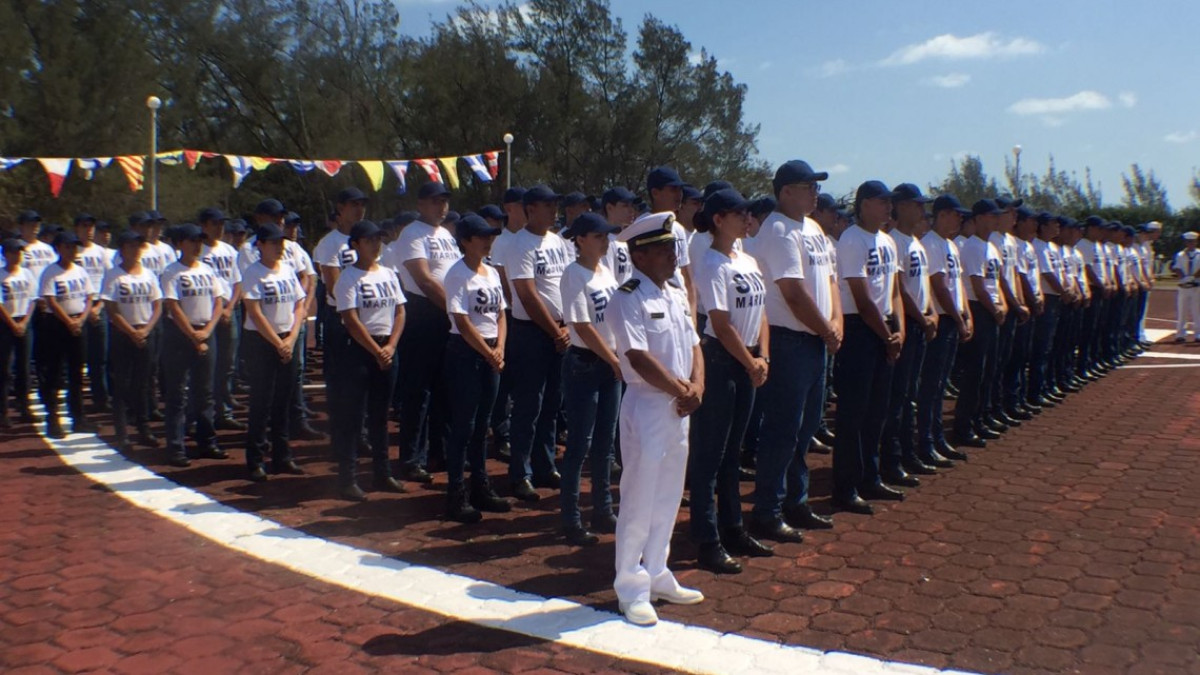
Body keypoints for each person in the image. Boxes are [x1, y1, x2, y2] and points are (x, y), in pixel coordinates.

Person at [609, 211, 704, 626]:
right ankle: (631, 588)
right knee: (639, 497)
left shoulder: (675, 294)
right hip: (649, 403)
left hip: (679, 405)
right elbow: (637, 356)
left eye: (671, 247)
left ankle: (659, 573)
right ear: (639, 255)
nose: (671, 255)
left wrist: (697, 386)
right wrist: (682, 390)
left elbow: (696, 344)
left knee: (668, 494)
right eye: (663, 249)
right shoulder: (628, 297)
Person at [686, 189, 775, 574]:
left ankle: (733, 527)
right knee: (710, 455)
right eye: (739, 214)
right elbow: (719, 324)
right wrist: (750, 360)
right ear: (719, 219)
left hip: (748, 357)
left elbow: (762, 313)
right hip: (724, 360)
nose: (747, 219)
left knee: (733, 452)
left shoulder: (748, 259)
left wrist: (763, 357)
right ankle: (707, 539)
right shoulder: (711, 262)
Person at [751, 160, 841, 531]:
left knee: (804, 430)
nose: (814, 192)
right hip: (790, 342)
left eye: (815, 186)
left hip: (815, 340)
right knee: (782, 430)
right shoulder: (779, 231)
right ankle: (767, 512)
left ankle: (795, 501)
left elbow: (831, 281)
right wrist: (828, 329)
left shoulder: (814, 228)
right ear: (785, 191)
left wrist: (836, 323)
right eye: (807, 186)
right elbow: (793, 293)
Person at [832, 181, 905, 512]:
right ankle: (846, 487)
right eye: (880, 201)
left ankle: (870, 477)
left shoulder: (888, 240)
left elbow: (894, 291)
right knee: (853, 414)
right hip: (861, 330)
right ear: (863, 205)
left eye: (889, 202)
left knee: (878, 410)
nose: (887, 207)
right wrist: (886, 335)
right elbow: (861, 298)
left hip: (885, 326)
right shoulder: (852, 240)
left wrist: (898, 331)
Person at [386, 181, 462, 482]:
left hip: (447, 314)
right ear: (421, 204)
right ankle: (411, 458)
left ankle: (439, 451)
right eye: (434, 201)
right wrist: (456, 310)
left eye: (444, 201)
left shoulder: (445, 234)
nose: (441, 206)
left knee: (444, 388)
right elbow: (425, 279)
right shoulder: (412, 234)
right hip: (424, 313)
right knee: (419, 390)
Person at [505, 185, 575, 501]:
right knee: (528, 404)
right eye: (547, 205)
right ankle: (520, 473)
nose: (553, 210)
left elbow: (570, 283)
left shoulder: (559, 241)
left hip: (561, 330)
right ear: (530, 209)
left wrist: (568, 326)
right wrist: (553, 330)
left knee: (552, 403)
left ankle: (544, 465)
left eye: (554, 205)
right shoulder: (521, 243)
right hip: (532, 332)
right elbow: (526, 292)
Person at [441, 214, 512, 521]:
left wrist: (499, 349)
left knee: (483, 425)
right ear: (465, 241)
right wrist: (488, 352)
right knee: (464, 425)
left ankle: (480, 486)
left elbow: (500, 314)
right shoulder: (457, 274)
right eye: (481, 237)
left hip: (490, 352)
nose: (488, 241)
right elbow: (461, 320)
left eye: (490, 236)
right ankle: (456, 493)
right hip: (466, 353)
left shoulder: (491, 272)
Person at [558, 212, 622, 545]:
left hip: (609, 363)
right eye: (598, 236)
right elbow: (581, 325)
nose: (605, 241)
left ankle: (603, 509)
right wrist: (612, 357)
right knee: (579, 444)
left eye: (606, 236)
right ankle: (570, 518)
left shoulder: (606, 272)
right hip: (586, 362)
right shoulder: (574, 274)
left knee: (605, 443)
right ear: (580, 240)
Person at [241, 223, 308, 482]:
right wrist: (277, 342)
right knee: (262, 402)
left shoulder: (288, 271)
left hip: (286, 339)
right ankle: (255, 459)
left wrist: (290, 339)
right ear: (260, 245)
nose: (279, 248)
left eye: (281, 243)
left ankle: (282, 456)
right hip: (261, 342)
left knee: (283, 401)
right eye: (273, 243)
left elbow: (300, 304)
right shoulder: (253, 273)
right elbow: (255, 312)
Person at [880, 184, 937, 485]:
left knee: (910, 393)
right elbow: (898, 289)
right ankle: (892, 459)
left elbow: (922, 285)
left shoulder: (917, 242)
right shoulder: (895, 241)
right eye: (915, 204)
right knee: (898, 397)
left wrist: (931, 313)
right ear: (900, 206)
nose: (921, 209)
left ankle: (907, 452)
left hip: (919, 323)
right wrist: (920, 318)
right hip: (905, 324)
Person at [160, 223, 228, 467]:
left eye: (200, 241)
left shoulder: (208, 270)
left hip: (206, 331)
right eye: (192, 241)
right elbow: (173, 306)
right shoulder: (172, 272)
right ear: (179, 244)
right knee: (177, 393)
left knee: (205, 392)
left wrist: (207, 331)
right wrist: (193, 335)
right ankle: (176, 447)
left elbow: (218, 301)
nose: (197, 245)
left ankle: (207, 441)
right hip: (180, 336)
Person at [916, 195, 972, 465]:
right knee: (930, 385)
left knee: (939, 385)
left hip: (953, 318)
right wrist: (957, 318)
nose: (959, 219)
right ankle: (925, 441)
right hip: (940, 318)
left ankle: (937, 438)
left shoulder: (949, 244)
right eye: (955, 214)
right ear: (941, 215)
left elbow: (957, 282)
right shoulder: (931, 243)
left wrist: (966, 314)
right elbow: (938, 285)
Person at [953, 200, 1008, 448]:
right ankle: (965, 425)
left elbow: (997, 282)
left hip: (992, 310)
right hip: (980, 308)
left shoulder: (991, 247)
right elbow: (977, 285)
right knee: (975, 372)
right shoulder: (973, 247)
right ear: (978, 219)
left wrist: (1002, 306)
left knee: (989, 369)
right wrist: (995, 309)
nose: (996, 220)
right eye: (991, 216)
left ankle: (981, 418)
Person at [100, 230, 162, 451]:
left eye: (139, 246)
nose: (136, 251)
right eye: (131, 246)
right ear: (122, 249)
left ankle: (144, 428)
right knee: (122, 384)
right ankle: (122, 432)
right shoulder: (113, 275)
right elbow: (111, 308)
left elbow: (157, 305)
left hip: (146, 333)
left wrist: (146, 329)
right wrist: (131, 332)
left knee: (143, 383)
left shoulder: (148, 275)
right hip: (123, 334)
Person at [36, 231, 97, 439]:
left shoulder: (80, 271)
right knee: (54, 372)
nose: (73, 250)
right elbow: (51, 300)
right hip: (56, 325)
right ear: (59, 249)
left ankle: (78, 417)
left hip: (78, 323)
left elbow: (89, 297)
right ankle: (52, 420)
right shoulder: (51, 272)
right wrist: (69, 321)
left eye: (75, 247)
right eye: (68, 247)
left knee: (77, 372)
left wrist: (80, 319)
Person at [199, 207, 245, 431]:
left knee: (227, 364)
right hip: (206, 314)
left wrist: (230, 308)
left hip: (228, 311)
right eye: (215, 223)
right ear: (204, 226)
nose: (220, 228)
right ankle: (201, 414)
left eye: (221, 224)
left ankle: (223, 411)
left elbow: (238, 283)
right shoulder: (198, 251)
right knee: (205, 367)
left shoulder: (229, 250)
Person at [73, 213, 111, 414]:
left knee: (100, 358)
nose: (88, 230)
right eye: (84, 226)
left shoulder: (101, 252)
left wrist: (98, 307)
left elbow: (108, 281)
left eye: (91, 227)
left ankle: (101, 398)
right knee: (79, 359)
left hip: (99, 306)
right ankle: (78, 402)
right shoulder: (73, 251)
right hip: (79, 309)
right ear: (77, 229)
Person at [0, 239, 36, 427]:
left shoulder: (27, 274)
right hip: (5, 324)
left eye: (20, 252)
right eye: (13, 252)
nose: (17, 256)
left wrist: (24, 322)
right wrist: (13, 324)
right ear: (5, 254)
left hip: (24, 322)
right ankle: (3, 411)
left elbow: (32, 299)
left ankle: (24, 406)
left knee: (24, 367)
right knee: (4, 369)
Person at [1172, 232, 1200, 342]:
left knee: (1197, 310)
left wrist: (1193, 277)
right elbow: (1177, 267)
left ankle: (1198, 333)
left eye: (1193, 241)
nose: (1191, 243)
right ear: (1185, 242)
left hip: (1196, 286)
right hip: (1183, 286)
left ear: (1196, 242)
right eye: (1188, 241)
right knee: (1182, 310)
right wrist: (1184, 278)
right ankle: (1180, 334)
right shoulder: (1180, 255)